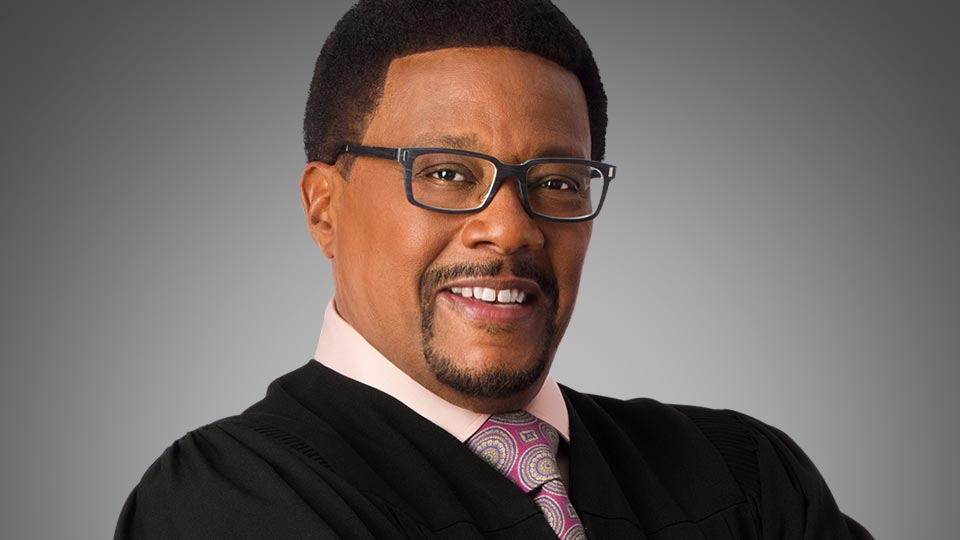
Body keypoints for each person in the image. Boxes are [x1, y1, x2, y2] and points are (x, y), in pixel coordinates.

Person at [115, 1, 872, 538]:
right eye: (446, 173)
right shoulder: (229, 499)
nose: (511, 228)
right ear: (324, 209)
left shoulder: (740, 473)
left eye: (557, 181)